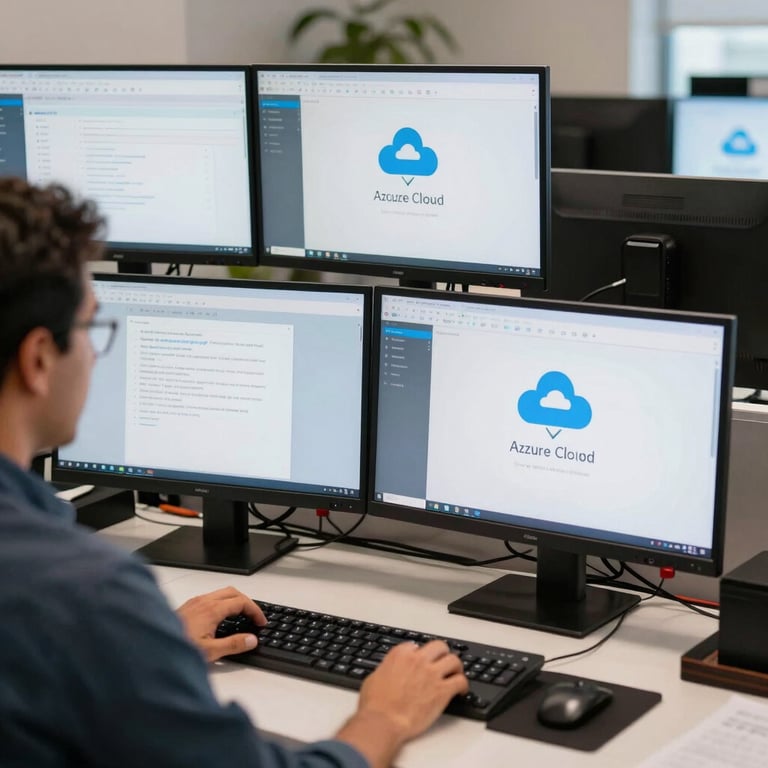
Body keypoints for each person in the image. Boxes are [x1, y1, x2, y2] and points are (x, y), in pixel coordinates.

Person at [0, 177, 468, 768]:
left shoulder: (78, 606)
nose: (95, 353)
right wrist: (384, 717)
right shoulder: (82, 594)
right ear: (39, 359)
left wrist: (139, 657)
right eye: (92, 329)